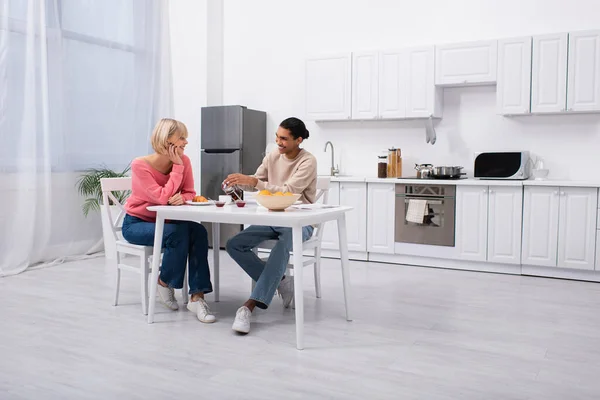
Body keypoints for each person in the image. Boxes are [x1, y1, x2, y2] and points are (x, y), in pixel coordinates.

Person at [224, 117, 317, 334]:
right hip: (272, 217)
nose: (278, 142)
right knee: (234, 244)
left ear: (298, 140)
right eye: (277, 137)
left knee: (283, 246)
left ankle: (249, 306)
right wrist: (238, 184)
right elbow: (257, 183)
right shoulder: (272, 156)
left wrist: (254, 182)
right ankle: (281, 281)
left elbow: (289, 191)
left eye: (284, 138)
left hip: (300, 221)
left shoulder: (308, 161)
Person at [121, 118, 216, 323]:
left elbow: (190, 192)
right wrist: (177, 168)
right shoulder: (140, 165)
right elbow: (162, 198)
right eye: (181, 137)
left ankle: (197, 296)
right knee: (178, 233)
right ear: (166, 140)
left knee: (198, 231)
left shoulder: (185, 160)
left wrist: (184, 197)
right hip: (137, 223)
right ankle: (164, 283)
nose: (186, 142)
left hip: (168, 222)